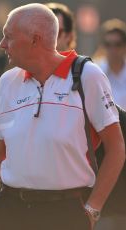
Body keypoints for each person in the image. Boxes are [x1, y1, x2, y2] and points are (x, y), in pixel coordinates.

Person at [0, 3, 125, 230]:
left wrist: (93, 208)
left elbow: (116, 148)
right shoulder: (7, 81)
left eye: (8, 37)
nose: (2, 44)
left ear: (35, 40)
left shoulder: (88, 75)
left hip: (65, 212)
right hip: (9, 210)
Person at [93, 18, 126, 230]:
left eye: (117, 44)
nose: (112, 49)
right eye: (108, 44)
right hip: (105, 145)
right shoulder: (95, 73)